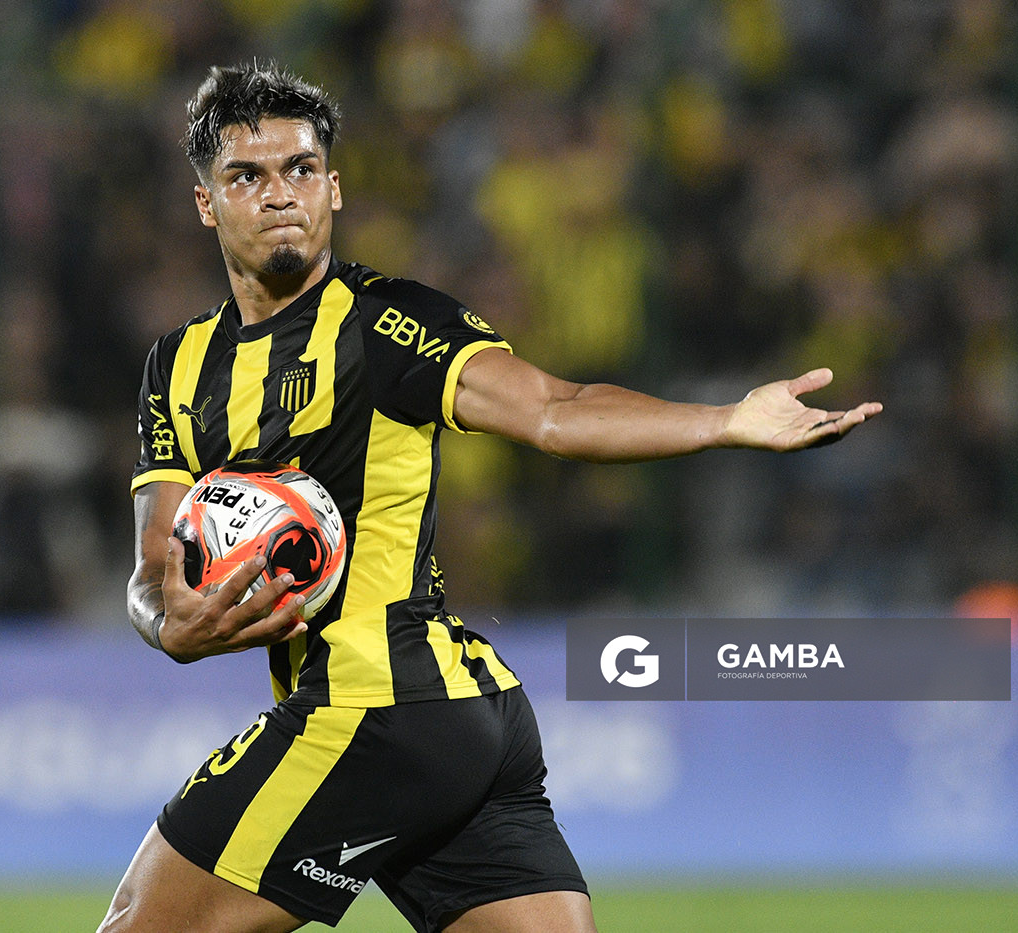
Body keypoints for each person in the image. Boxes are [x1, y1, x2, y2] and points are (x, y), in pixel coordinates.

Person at [105, 63, 881, 933]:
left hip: (375, 707)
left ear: (334, 187)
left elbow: (554, 409)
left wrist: (726, 420)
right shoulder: (176, 366)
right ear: (207, 202)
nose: (280, 193)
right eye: (247, 175)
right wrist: (164, 622)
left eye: (301, 169)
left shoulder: (387, 324)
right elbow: (153, 564)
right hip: (461, 717)